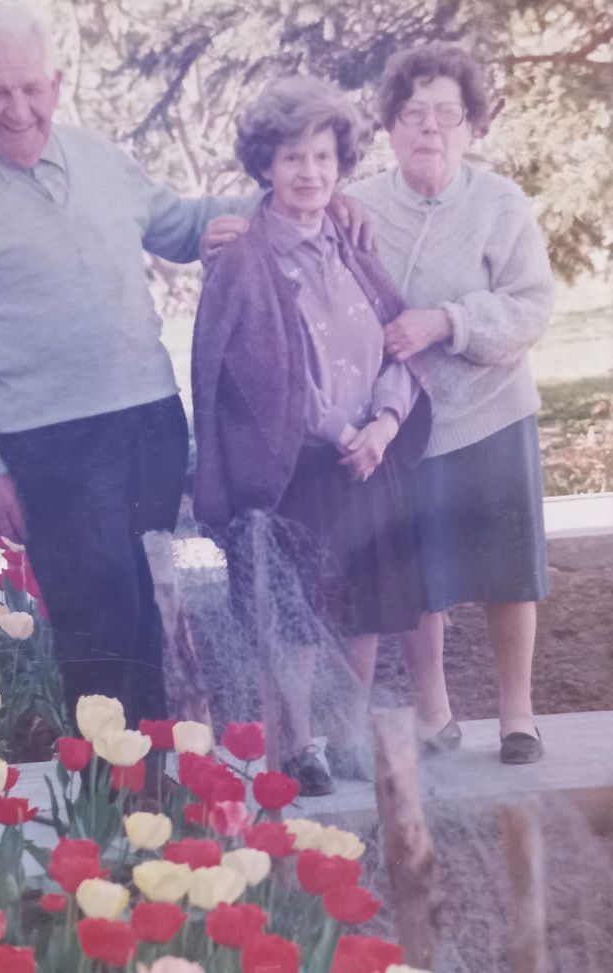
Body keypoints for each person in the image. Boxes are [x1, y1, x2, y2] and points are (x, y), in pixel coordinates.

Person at [0, 1, 370, 729]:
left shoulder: (100, 158)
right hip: (47, 443)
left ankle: (172, 782)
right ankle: (119, 801)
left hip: (147, 421)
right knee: (98, 619)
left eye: (31, 88)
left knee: (160, 608)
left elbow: (183, 225)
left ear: (55, 83)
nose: (19, 108)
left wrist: (304, 192)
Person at [192, 76, 431, 795]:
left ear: (341, 164)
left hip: (368, 461)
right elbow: (226, 381)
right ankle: (300, 745)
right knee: (296, 622)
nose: (311, 174)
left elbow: (401, 345)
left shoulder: (354, 241)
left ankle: (348, 732)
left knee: (365, 608)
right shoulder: (241, 259)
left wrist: (384, 425)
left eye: (324, 158)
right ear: (265, 165)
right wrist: (337, 430)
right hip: (292, 468)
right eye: (293, 158)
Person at [349, 42, 554, 763]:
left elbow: (532, 306)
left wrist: (448, 322)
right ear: (391, 126)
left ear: (472, 126)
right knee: (422, 575)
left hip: (495, 408)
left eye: (446, 114)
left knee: (508, 567)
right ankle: (434, 712)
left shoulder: (499, 202)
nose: (429, 129)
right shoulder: (360, 206)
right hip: (407, 421)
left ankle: (516, 715)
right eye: (412, 114)